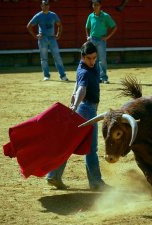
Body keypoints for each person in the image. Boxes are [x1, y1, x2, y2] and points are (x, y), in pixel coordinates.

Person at [46, 41, 110, 191]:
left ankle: (53, 175)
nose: (92, 61)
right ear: (82, 57)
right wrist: (74, 104)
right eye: (89, 58)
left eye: (94, 58)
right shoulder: (84, 71)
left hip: (84, 108)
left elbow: (77, 86)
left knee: (70, 143)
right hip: (87, 110)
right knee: (91, 148)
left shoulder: (86, 66)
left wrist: (73, 97)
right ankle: (96, 182)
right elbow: (82, 88)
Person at [27, 0, 69, 81]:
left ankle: (63, 75)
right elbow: (29, 26)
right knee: (44, 58)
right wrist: (35, 35)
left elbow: (60, 25)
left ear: (49, 6)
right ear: (41, 6)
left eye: (46, 5)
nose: (45, 6)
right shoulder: (38, 15)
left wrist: (58, 35)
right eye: (44, 5)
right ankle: (46, 75)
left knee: (57, 57)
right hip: (42, 39)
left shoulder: (53, 15)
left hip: (52, 38)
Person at [86, 0, 117, 84]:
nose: (95, 6)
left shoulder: (105, 16)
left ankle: (104, 77)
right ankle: (96, 77)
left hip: (101, 40)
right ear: (92, 6)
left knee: (102, 59)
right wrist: (88, 36)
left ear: (100, 6)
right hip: (92, 39)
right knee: (93, 59)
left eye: (97, 5)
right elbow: (87, 27)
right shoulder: (91, 16)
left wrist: (107, 37)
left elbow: (114, 26)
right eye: (94, 5)